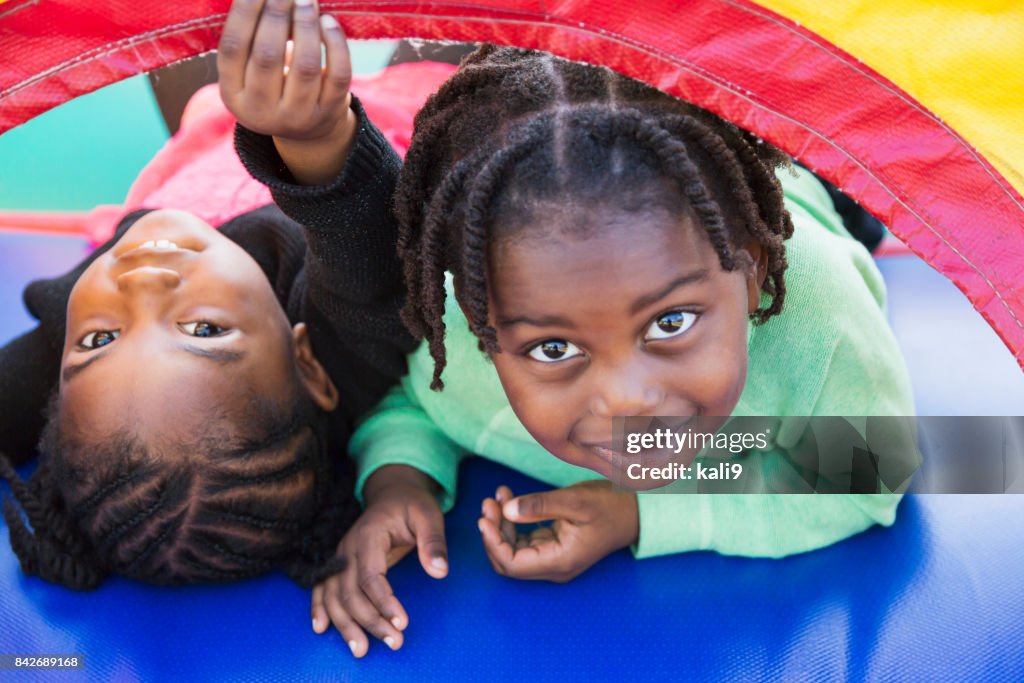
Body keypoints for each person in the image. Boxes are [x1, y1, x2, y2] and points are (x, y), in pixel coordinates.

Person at [310, 46, 915, 656]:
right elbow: (416, 402)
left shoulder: (824, 318)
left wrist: (638, 515)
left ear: (752, 271)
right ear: (483, 331)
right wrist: (399, 482)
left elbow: (873, 470)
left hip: (810, 194)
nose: (628, 400)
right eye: (553, 349)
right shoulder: (473, 331)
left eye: (671, 322)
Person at [0, 0, 414, 589]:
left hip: (209, 131)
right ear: (307, 366)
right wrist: (318, 140)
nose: (140, 283)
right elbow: (370, 251)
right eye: (204, 331)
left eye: (99, 339)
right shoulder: (339, 348)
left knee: (162, 17)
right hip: (397, 108)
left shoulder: (76, 359)